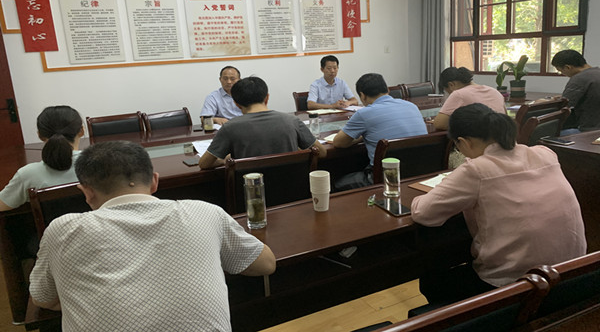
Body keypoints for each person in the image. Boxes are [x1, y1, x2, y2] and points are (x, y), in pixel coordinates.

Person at [29, 141, 276, 331]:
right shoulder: (204, 212)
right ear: (155, 182)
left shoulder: (61, 230)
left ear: (86, 192)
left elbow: (43, 298)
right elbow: (266, 264)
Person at [411, 103, 586, 306]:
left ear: (464, 142)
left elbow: (423, 213)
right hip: (573, 274)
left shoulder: (476, 170)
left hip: (517, 285)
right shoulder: (545, 153)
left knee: (431, 280)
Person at [199, 76, 327, 169]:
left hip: (251, 193)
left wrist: (226, 160)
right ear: (267, 98)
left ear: (236, 103)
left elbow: (204, 164)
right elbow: (321, 152)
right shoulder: (292, 121)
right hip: (294, 190)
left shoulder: (229, 127)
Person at [332, 73, 428, 190]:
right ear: (387, 90)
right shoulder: (412, 106)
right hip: (420, 172)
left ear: (362, 96)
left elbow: (338, 142)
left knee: (335, 183)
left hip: (384, 178)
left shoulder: (364, 113)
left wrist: (362, 136)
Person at [0, 105, 83, 211]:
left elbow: (2, 205)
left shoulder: (27, 174)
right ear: (81, 131)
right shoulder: (100, 164)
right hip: (95, 222)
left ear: (40, 135)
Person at [433, 67, 506, 131]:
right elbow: (505, 117)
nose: (450, 95)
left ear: (451, 85)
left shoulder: (458, 94)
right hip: (503, 138)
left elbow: (439, 124)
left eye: (448, 92)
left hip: (481, 140)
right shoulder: (495, 91)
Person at [551, 49, 600, 132]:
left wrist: (547, 101)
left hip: (590, 130)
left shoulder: (579, 78)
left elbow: (564, 105)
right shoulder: (597, 72)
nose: (563, 74)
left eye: (560, 71)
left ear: (567, 67)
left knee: (542, 134)